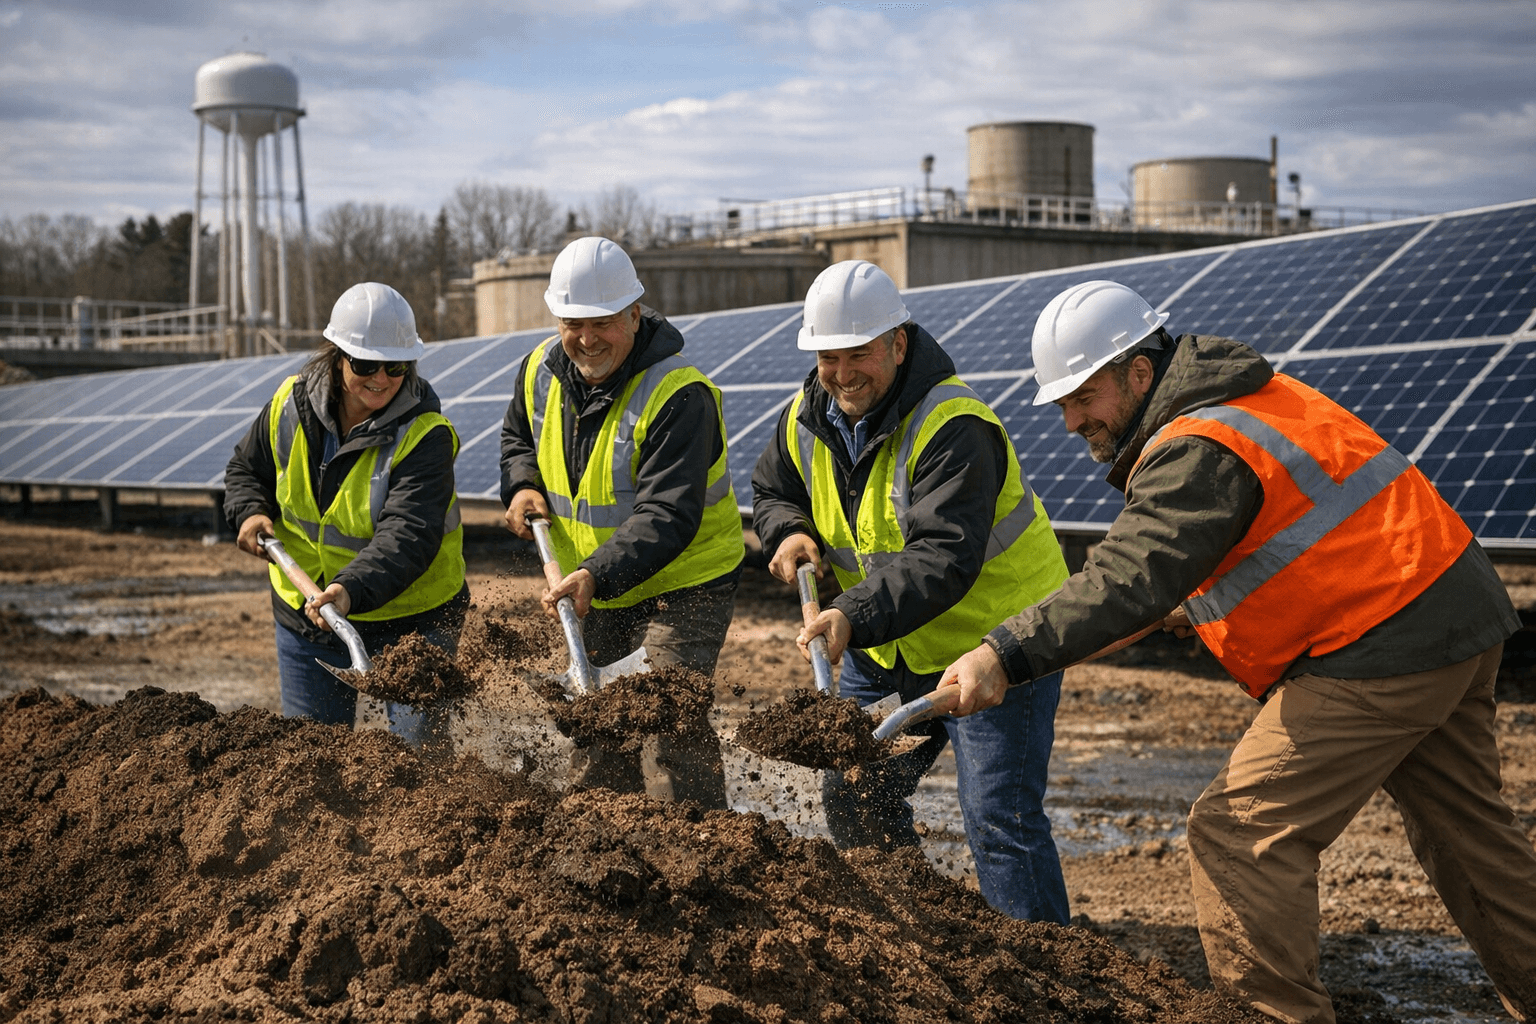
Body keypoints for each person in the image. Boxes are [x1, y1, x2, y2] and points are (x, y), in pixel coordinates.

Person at [941, 279, 1536, 1022]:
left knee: (1237, 834)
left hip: (1381, 640)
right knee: (1471, 841)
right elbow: (1245, 547)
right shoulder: (1243, 402)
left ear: (1139, 371)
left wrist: (1005, 650)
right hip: (1449, 611)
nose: (1070, 421)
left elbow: (1130, 576)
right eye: (1061, 403)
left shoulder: (1198, 444)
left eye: (1083, 395)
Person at [751, 259, 1073, 922]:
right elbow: (772, 490)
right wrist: (786, 533)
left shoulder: (954, 424)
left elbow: (943, 557)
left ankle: (1045, 975)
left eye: (858, 354)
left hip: (997, 645)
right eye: (827, 358)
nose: (842, 375)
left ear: (899, 344)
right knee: (856, 791)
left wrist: (848, 612)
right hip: (888, 648)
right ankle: (911, 930)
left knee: (998, 819)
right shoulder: (804, 419)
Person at [500, 236, 744, 809]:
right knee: (595, 727)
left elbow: (667, 514)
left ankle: (704, 853)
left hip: (685, 582)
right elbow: (517, 440)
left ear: (635, 315)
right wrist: (522, 484)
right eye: (573, 322)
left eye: (603, 322)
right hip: (596, 583)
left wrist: (592, 574)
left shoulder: (679, 394)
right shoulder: (539, 369)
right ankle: (600, 853)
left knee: (669, 729)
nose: (587, 339)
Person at [224, 281, 469, 752]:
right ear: (337, 357)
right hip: (307, 618)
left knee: (421, 772)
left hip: (413, 624)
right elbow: (245, 469)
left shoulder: (426, 435)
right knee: (312, 761)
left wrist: (349, 589)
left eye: (395, 366)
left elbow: (410, 533)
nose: (380, 378)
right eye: (365, 364)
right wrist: (250, 511)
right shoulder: (287, 406)